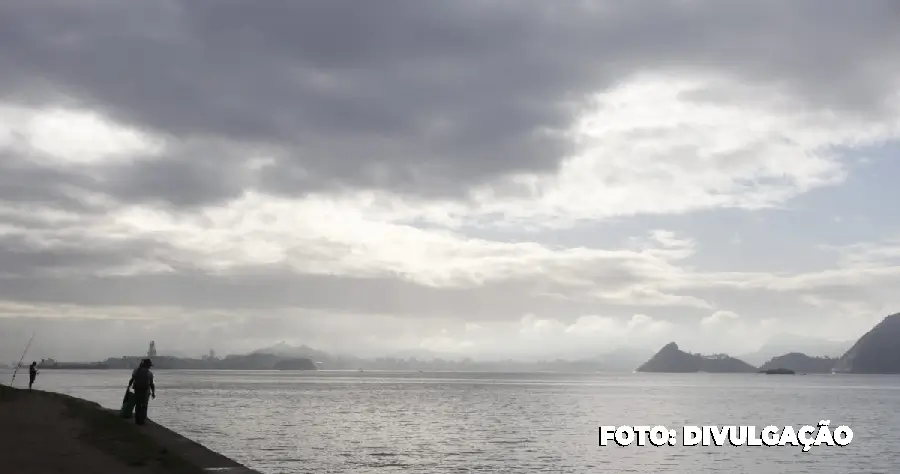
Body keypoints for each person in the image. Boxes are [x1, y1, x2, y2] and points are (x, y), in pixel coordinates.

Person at [127, 358, 156, 425]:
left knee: (137, 405)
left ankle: (137, 420)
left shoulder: (136, 370)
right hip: (145, 390)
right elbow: (151, 384)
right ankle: (142, 420)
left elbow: (132, 380)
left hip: (137, 390)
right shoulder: (149, 373)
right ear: (148, 365)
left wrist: (128, 387)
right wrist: (153, 393)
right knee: (144, 405)